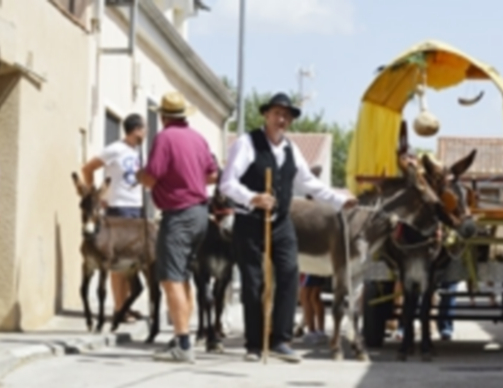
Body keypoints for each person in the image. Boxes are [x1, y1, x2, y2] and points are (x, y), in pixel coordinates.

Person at [220, 92, 356, 363]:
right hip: (250, 221)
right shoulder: (247, 143)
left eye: (286, 116)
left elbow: (309, 183)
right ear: (266, 115)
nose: (281, 119)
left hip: (281, 222)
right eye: (277, 114)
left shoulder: (291, 149)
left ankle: (281, 340)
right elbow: (227, 183)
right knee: (253, 283)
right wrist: (253, 198)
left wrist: (339, 201)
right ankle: (254, 344)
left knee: (290, 274)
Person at [137, 91, 218, 363]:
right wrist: (189, 179)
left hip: (179, 215)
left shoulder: (165, 138)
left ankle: (183, 344)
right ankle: (181, 336)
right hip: (200, 213)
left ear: (163, 117)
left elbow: (151, 177)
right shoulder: (198, 138)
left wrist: (140, 176)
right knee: (183, 277)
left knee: (170, 278)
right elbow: (212, 174)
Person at [79, 113, 146, 323]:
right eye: (144, 128)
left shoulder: (137, 151)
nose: (146, 133)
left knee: (130, 261)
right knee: (117, 261)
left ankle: (125, 305)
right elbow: (88, 168)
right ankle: (119, 308)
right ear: (136, 129)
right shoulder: (115, 149)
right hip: (118, 209)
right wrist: (96, 197)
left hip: (135, 209)